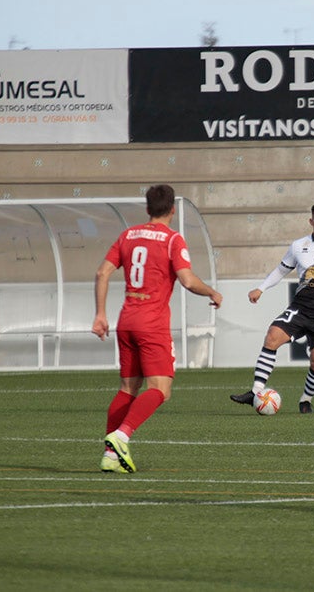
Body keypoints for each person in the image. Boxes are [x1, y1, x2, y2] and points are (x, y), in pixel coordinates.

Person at [92, 184, 222, 473]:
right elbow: (187, 280)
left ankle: (110, 457)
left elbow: (102, 272)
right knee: (160, 389)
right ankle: (121, 436)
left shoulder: (127, 235)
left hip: (126, 321)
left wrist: (100, 314)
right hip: (151, 325)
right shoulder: (173, 240)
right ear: (173, 210)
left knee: (127, 388)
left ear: (147, 208)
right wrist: (211, 291)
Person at [230, 201, 314, 414]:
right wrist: (261, 289)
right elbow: (280, 270)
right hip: (301, 308)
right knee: (272, 336)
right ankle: (256, 391)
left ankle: (306, 399)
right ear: (311, 221)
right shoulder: (298, 246)